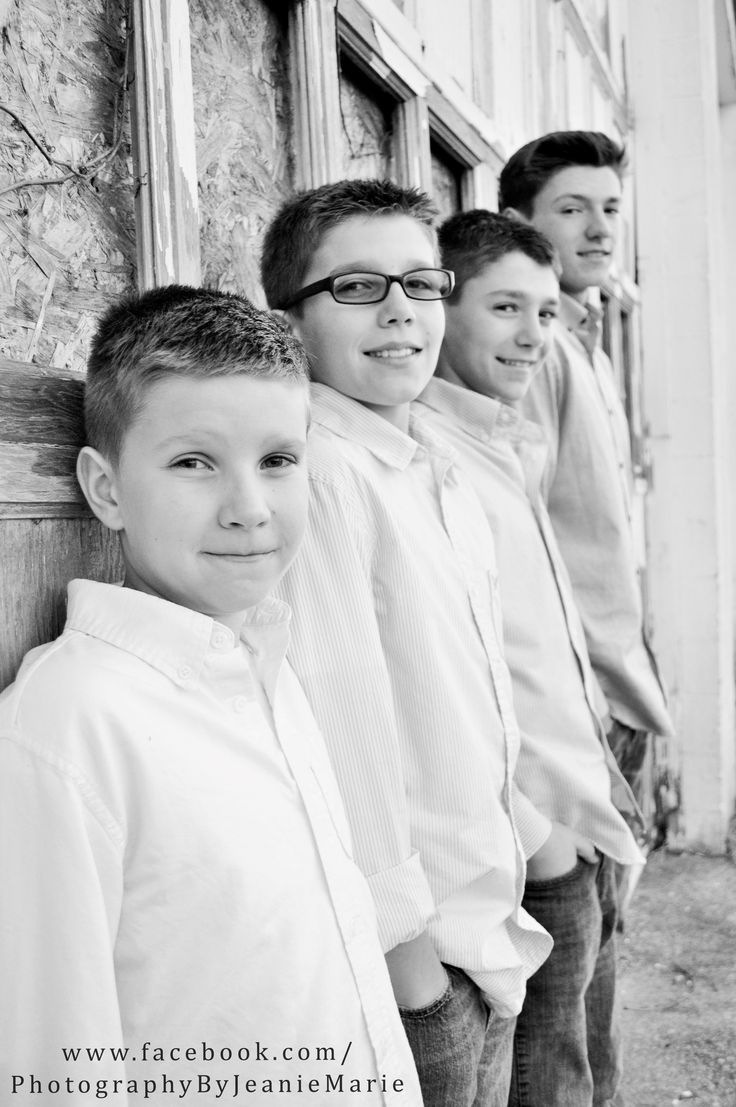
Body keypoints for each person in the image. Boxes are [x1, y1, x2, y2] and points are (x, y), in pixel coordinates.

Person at [0, 286, 423, 1106]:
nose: (250, 510)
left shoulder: (266, 661)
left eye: (278, 460)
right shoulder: (63, 731)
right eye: (194, 462)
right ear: (107, 487)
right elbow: (51, 1067)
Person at [261, 179, 552, 1107]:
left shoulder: (428, 463)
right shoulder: (326, 469)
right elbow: (342, 732)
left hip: (485, 933)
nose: (399, 312)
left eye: (423, 285)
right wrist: (416, 976)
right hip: (422, 972)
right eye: (356, 288)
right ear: (290, 318)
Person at [415, 209, 644, 1107]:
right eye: (506, 306)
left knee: (588, 1070)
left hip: (582, 817)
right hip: (529, 841)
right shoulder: (431, 457)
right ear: (445, 306)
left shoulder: (502, 441)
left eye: (546, 313)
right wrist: (541, 835)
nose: (532, 335)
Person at [498, 130, 674, 833]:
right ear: (518, 224)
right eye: (573, 209)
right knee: (582, 928)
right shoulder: (532, 354)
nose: (600, 229)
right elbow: (519, 542)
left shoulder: (588, 341)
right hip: (581, 700)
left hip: (619, 683)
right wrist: (582, 703)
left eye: (610, 208)